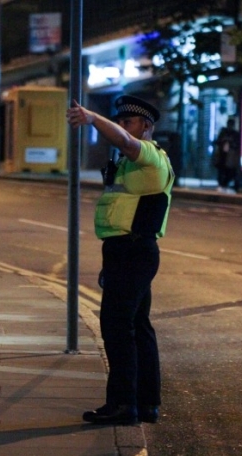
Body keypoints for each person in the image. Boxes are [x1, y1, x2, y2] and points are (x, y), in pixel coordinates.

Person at [67, 94, 174, 425]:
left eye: (129, 121)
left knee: (116, 326)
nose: (123, 127)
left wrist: (93, 118)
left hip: (134, 251)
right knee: (137, 326)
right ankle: (146, 403)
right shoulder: (129, 164)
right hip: (124, 251)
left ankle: (123, 403)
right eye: (121, 120)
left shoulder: (149, 158)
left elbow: (125, 140)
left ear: (146, 127)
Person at [213, 118, 240, 193]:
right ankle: (222, 184)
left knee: (230, 172)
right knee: (222, 172)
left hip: (231, 157)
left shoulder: (234, 134)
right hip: (223, 157)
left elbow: (237, 145)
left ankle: (225, 184)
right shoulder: (223, 133)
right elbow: (218, 142)